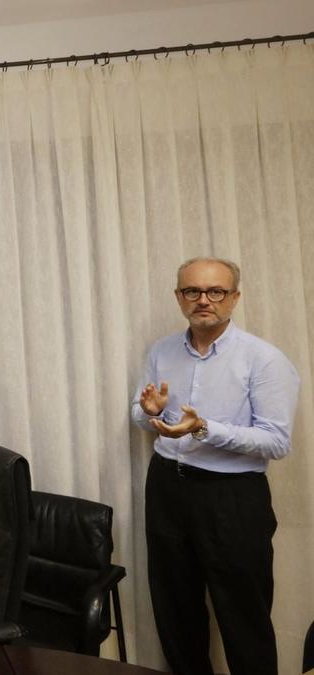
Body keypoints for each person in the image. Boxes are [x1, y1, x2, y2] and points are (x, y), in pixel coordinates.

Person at [131, 257, 299, 675]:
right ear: (179, 297)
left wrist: (205, 428)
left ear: (234, 297)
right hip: (168, 487)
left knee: (244, 618)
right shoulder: (162, 350)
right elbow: (140, 413)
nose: (203, 300)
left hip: (233, 497)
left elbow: (276, 441)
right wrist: (150, 412)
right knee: (175, 611)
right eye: (192, 291)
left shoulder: (264, 359)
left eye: (215, 291)